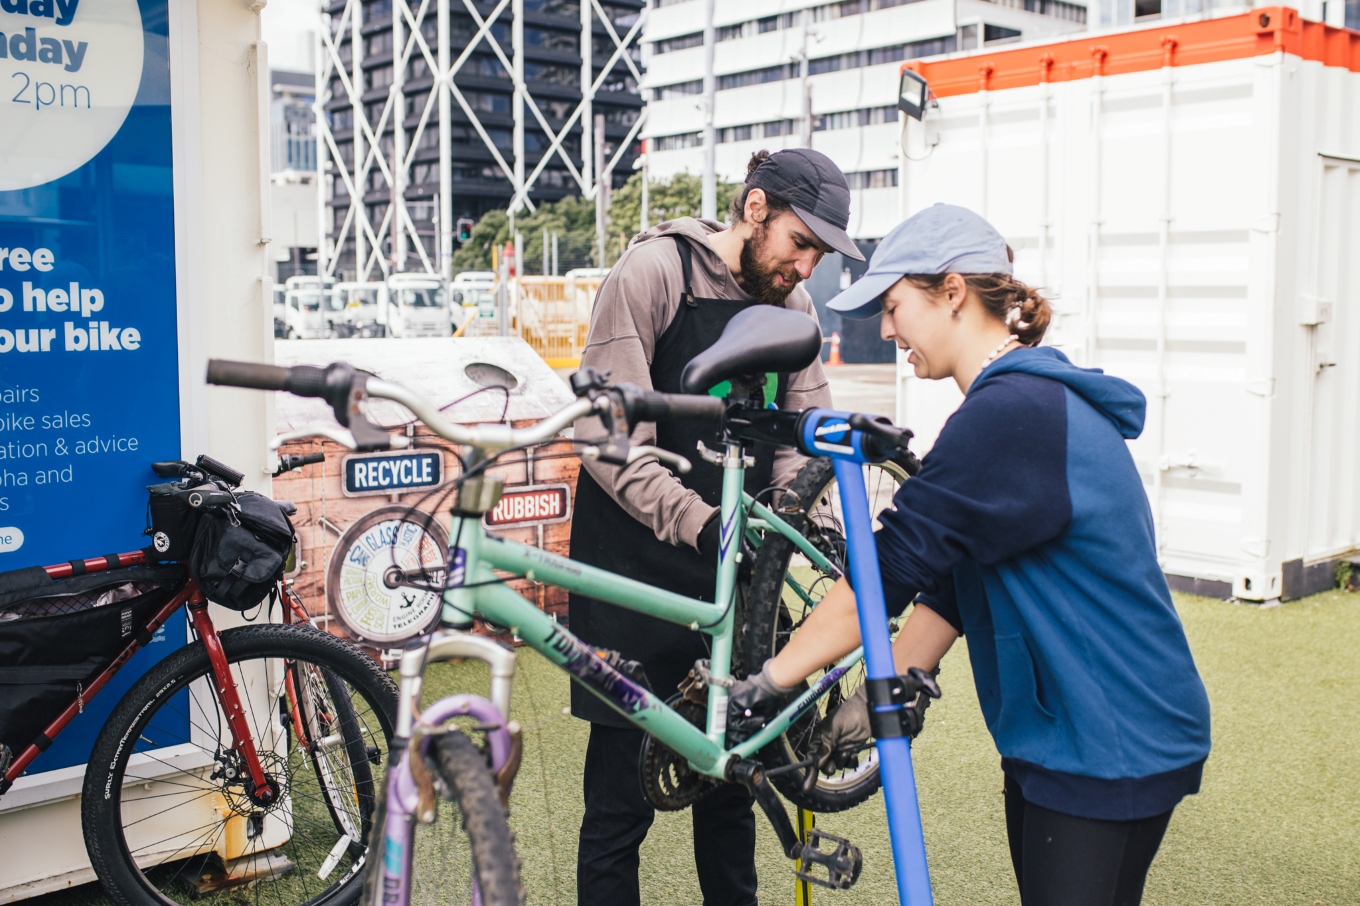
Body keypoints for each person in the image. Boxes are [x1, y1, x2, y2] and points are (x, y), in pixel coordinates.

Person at [727, 204, 1212, 906]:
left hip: (1108, 733)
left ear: (952, 293)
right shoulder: (1021, 401)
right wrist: (879, 687)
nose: (885, 330)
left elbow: (885, 573)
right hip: (1074, 727)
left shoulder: (1011, 415)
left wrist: (766, 685)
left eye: (893, 307)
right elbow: (953, 580)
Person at [568, 148, 863, 906]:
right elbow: (608, 439)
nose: (807, 267)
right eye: (802, 243)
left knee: (732, 796)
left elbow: (809, 441)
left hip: (735, 580)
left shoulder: (794, 311)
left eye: (820, 254)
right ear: (755, 207)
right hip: (633, 568)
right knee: (618, 808)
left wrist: (814, 527)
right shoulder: (654, 273)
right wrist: (703, 523)